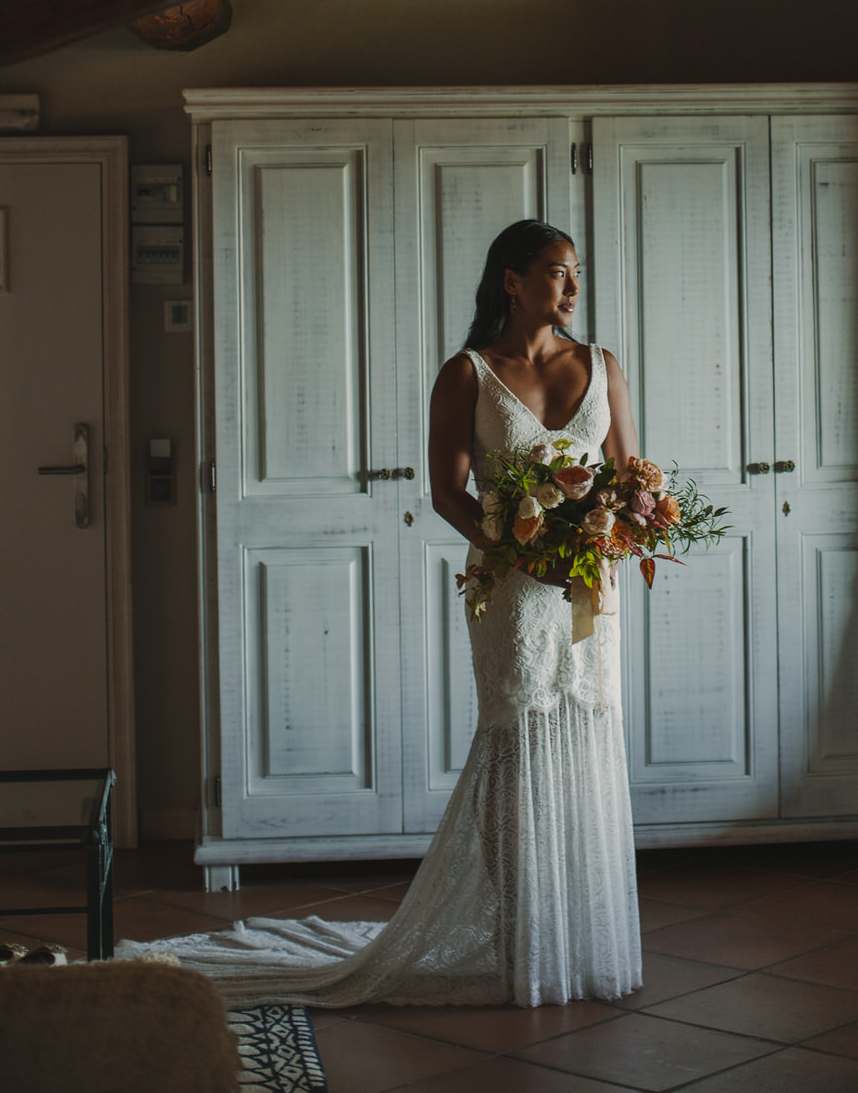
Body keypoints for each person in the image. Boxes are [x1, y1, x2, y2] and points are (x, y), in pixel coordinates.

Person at [119, 220, 643, 1010]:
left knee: (584, 734)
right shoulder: (468, 374)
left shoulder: (602, 366)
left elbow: (630, 475)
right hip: (509, 591)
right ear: (510, 279)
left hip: (585, 592)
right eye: (557, 272)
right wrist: (512, 551)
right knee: (514, 745)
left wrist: (619, 525)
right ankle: (523, 936)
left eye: (576, 274)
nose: (572, 288)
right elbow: (445, 491)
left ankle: (587, 933)